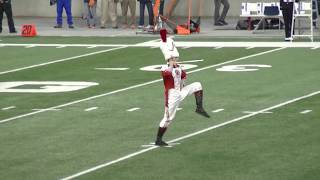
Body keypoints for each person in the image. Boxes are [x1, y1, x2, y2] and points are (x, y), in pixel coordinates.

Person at [155, 29, 210, 146]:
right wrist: (170, 64)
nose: (175, 60)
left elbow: (184, 76)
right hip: (172, 96)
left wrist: (183, 82)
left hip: (180, 91)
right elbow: (167, 75)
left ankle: (199, 107)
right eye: (173, 59)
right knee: (168, 119)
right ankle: (158, 139)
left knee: (197, 85)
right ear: (168, 59)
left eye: (176, 59)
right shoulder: (164, 68)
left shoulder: (178, 67)